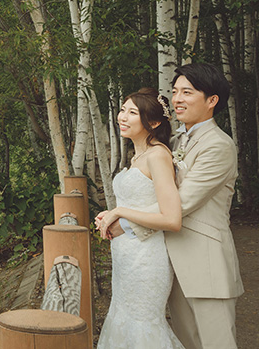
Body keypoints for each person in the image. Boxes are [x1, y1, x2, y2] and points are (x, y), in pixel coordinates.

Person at [111, 64, 243, 349]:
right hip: (167, 261)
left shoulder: (219, 146)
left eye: (187, 92)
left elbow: (182, 203)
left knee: (217, 344)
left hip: (204, 263)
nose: (177, 99)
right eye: (175, 92)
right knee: (187, 342)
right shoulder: (172, 141)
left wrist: (125, 223)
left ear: (212, 100)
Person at [94, 87, 184, 348]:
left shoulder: (158, 155)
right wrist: (109, 217)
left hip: (146, 259)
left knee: (143, 325)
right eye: (123, 110)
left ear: (153, 123)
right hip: (125, 256)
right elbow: (142, 203)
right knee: (124, 320)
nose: (122, 117)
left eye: (132, 112)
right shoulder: (138, 156)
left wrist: (120, 212)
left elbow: (172, 219)